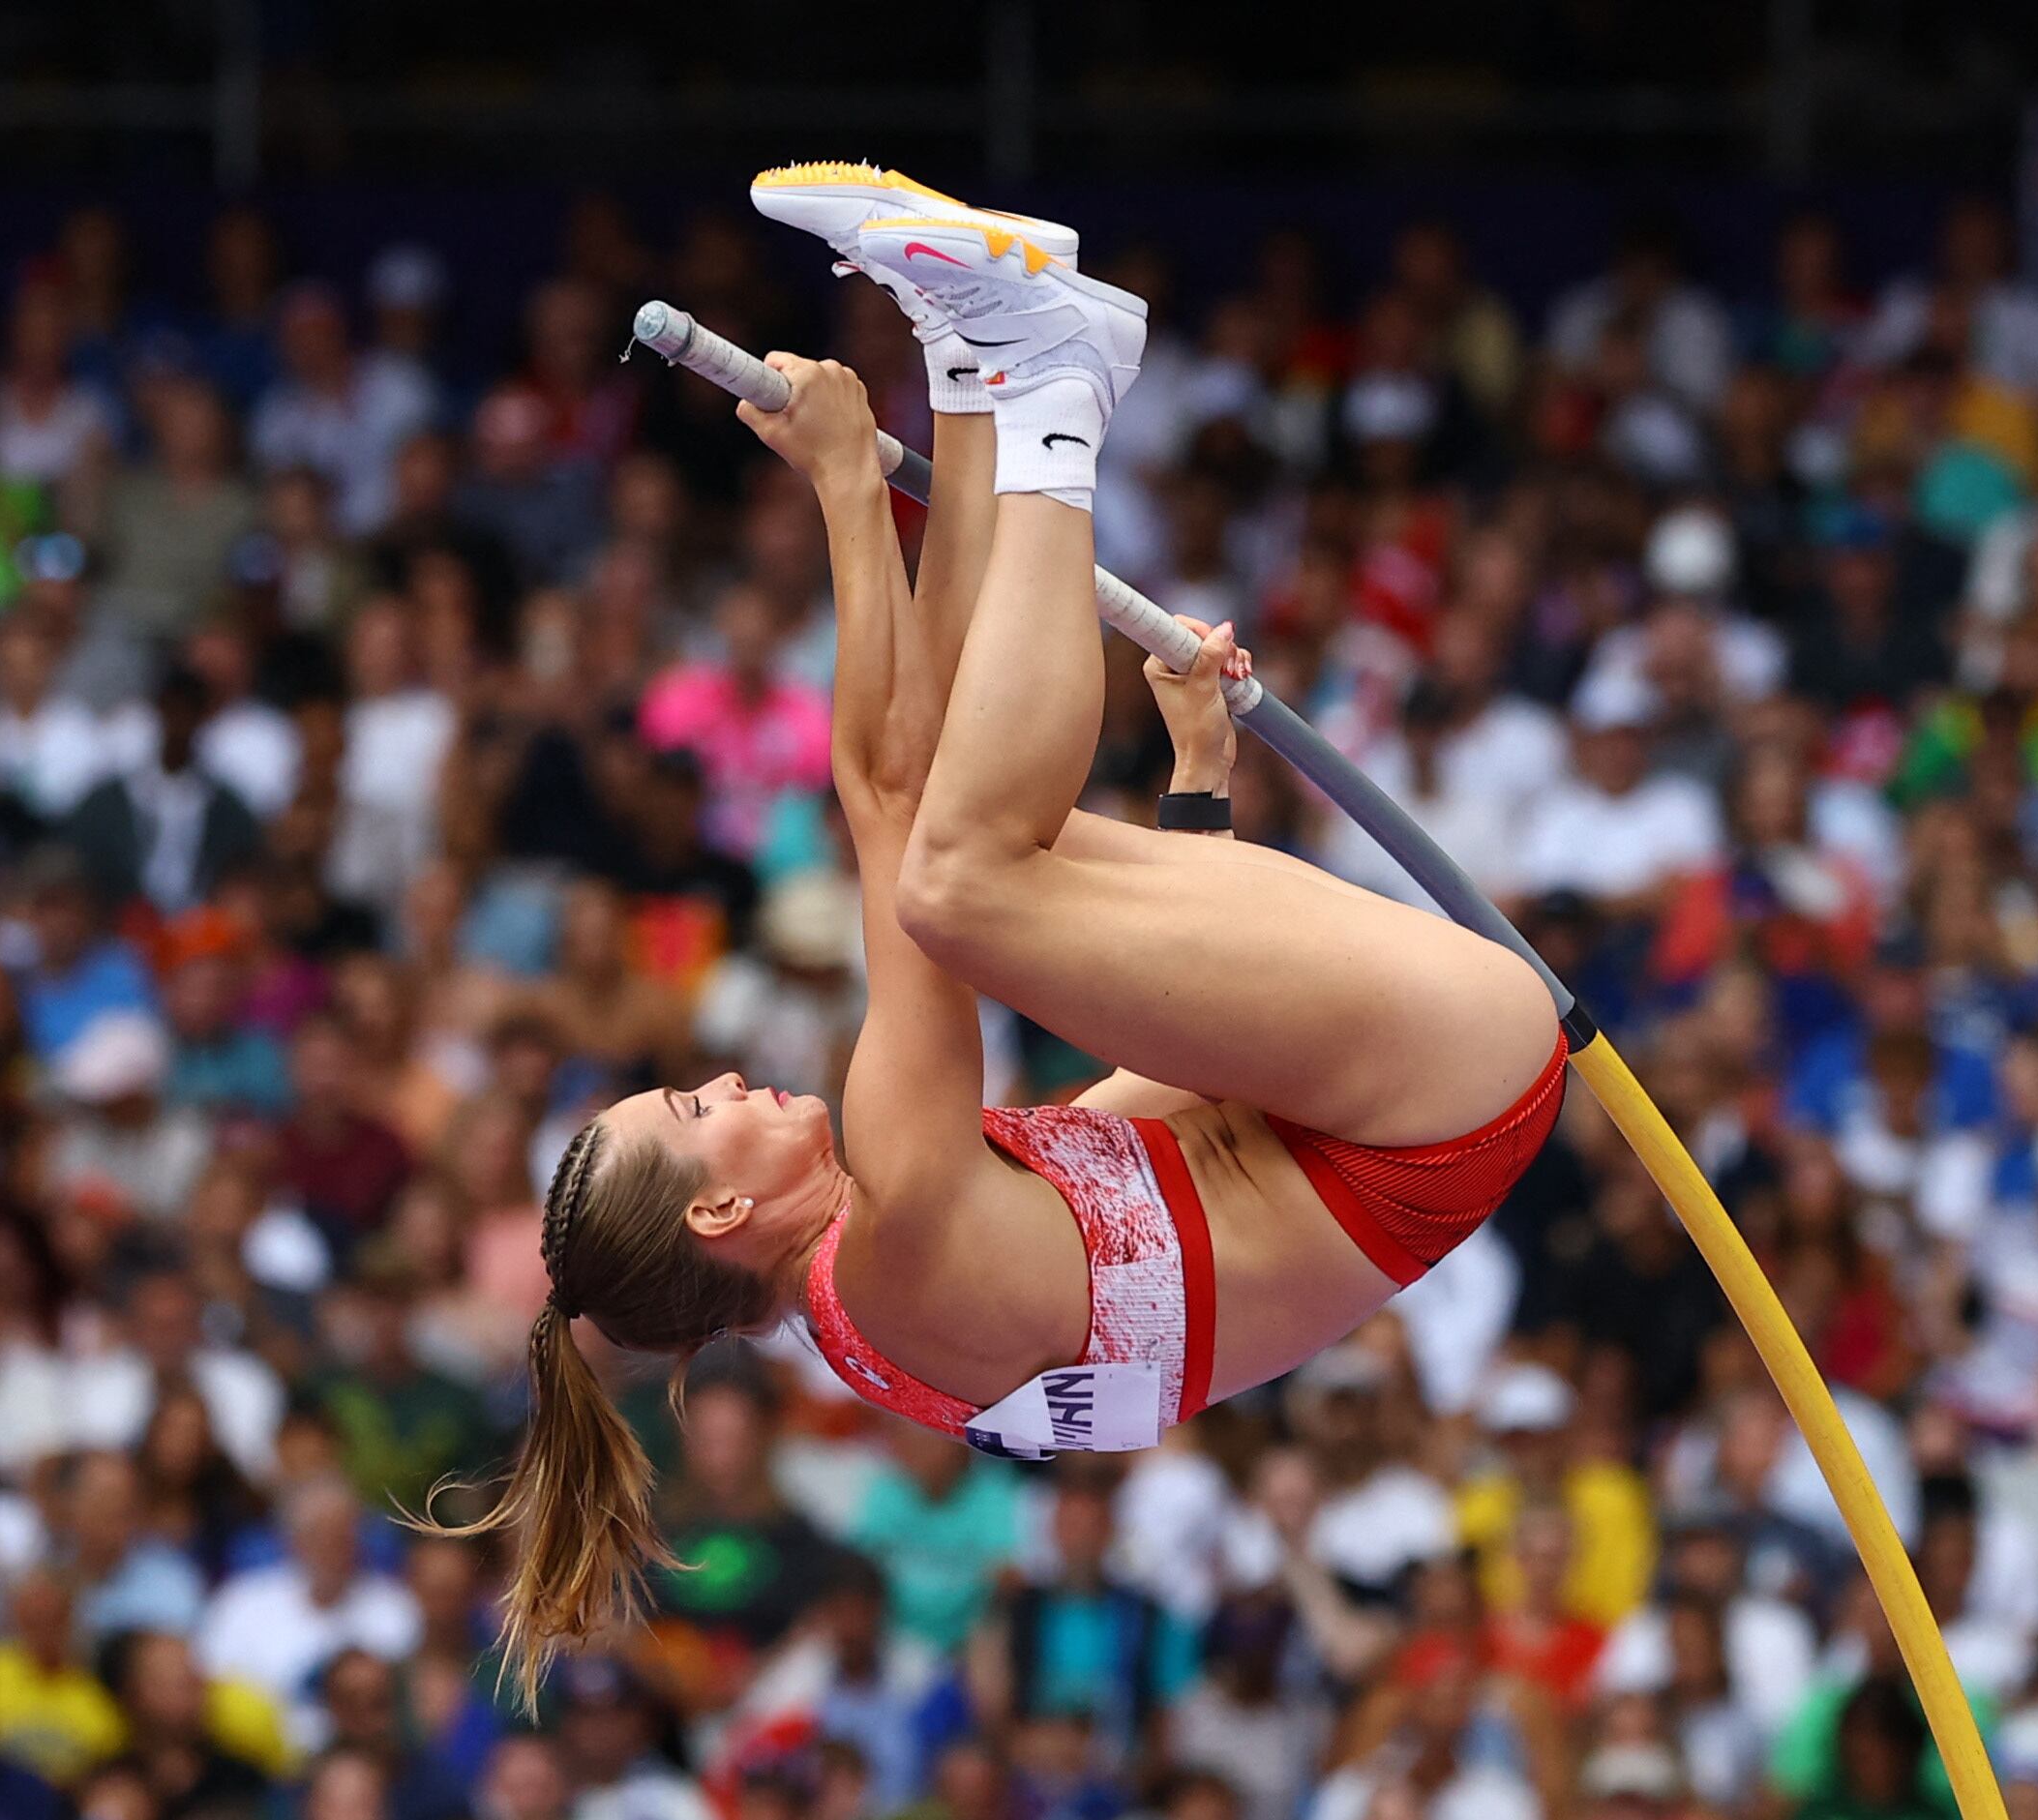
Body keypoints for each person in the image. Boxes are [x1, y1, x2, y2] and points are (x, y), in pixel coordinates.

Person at [432, 169, 1571, 1688]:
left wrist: (1196, 806)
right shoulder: (891, 1225)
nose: (737, 1084)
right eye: (704, 1111)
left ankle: (988, 358)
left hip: (1328, 1097)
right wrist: (843, 491)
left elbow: (1172, 1153)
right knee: (958, 879)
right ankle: (1044, 383)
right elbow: (886, 796)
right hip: (1418, 1107)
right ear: (717, 1217)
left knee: (981, 847)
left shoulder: (881, 1302)